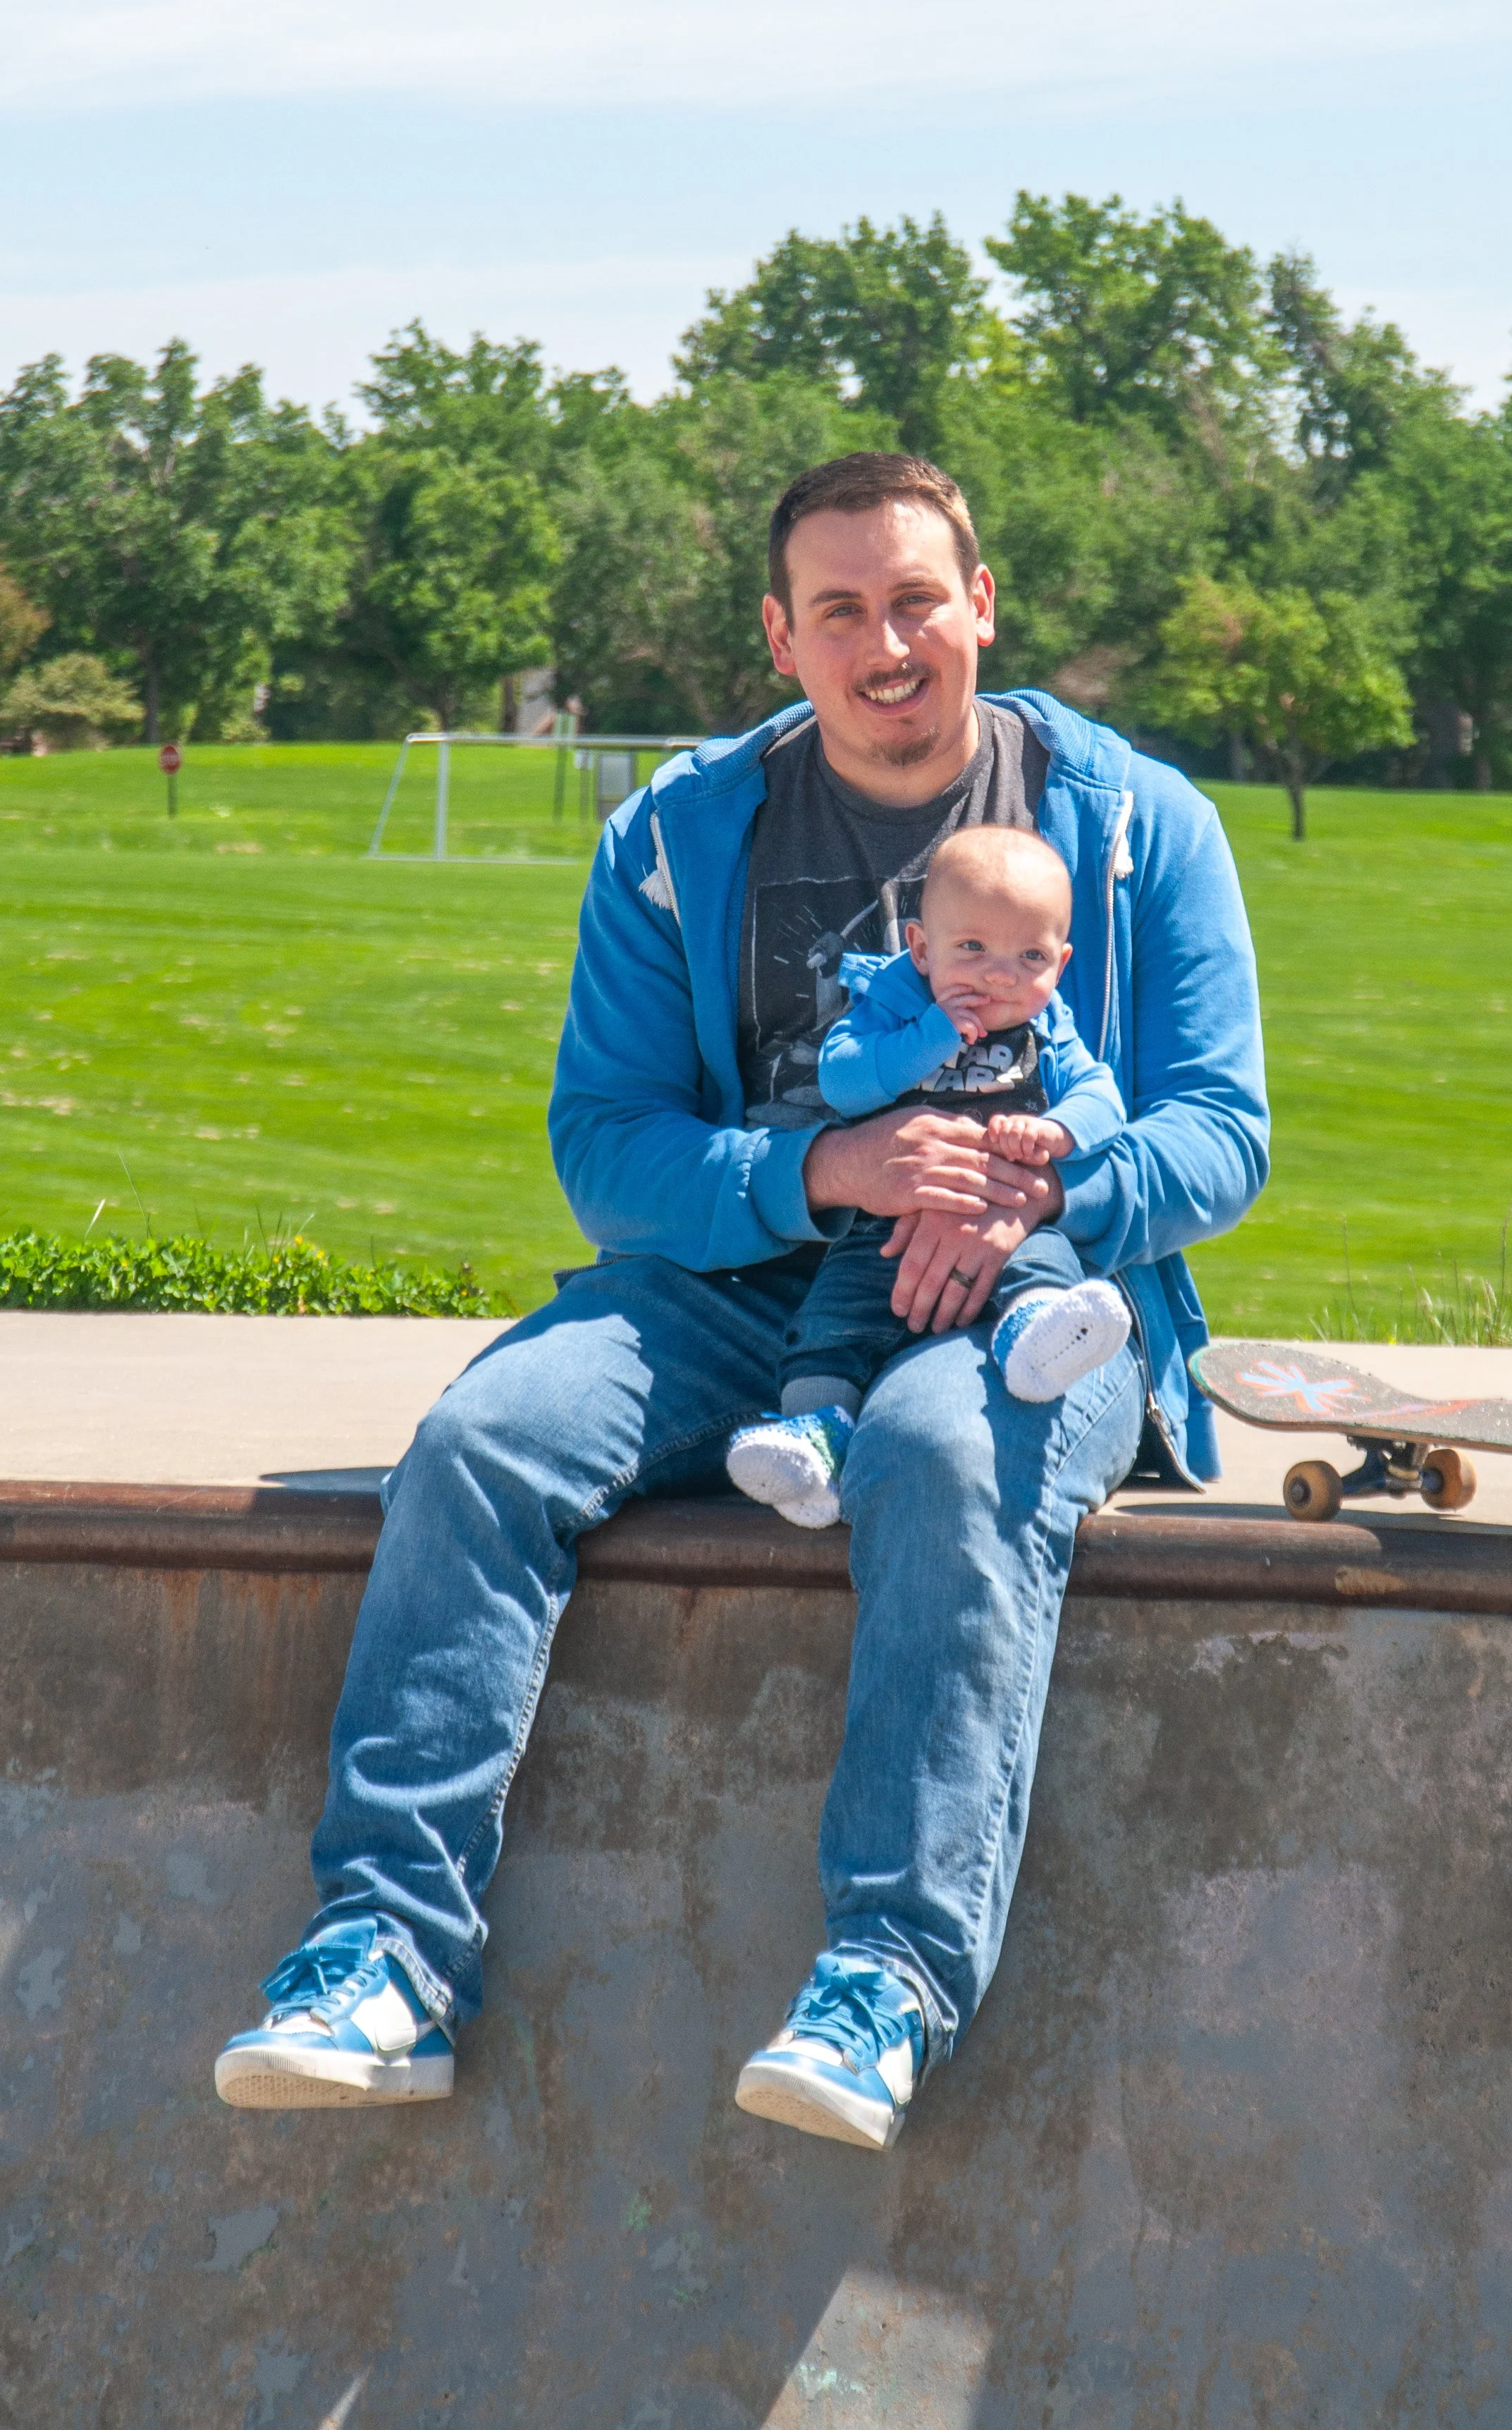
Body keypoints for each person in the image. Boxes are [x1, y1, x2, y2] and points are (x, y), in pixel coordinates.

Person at [214, 450, 1270, 2153]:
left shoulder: (1138, 823)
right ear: (782, 636)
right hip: (736, 1282)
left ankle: (886, 1978)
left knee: (939, 1449)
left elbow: (1222, 1127)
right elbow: (608, 1145)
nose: (885, 646)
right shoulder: (680, 832)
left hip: (1036, 1289)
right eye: (838, 611)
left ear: (981, 603)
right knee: (487, 1436)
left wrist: (1035, 1192)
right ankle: (383, 1955)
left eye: (916, 600)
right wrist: (827, 1171)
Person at [725, 823, 1133, 1529]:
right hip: (883, 1228)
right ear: (920, 948)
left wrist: (1057, 1131)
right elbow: (845, 1079)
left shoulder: (1046, 1023)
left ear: (1060, 963)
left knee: (1044, 1261)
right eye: (972, 948)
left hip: (1006, 1222)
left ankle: (1032, 1335)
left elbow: (1103, 1097)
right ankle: (814, 1438)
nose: (999, 976)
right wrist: (933, 1034)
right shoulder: (892, 1002)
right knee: (831, 1320)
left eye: (1030, 956)